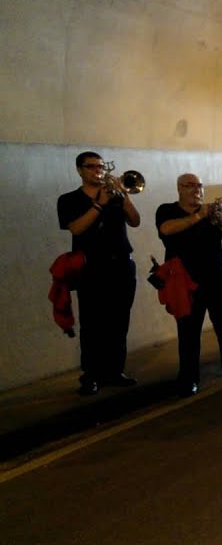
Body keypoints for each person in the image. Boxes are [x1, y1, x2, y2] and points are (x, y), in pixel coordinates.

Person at [156, 174, 222, 396]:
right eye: (190, 186)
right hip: (186, 279)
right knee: (188, 332)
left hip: (216, 276)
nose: (196, 190)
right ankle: (188, 379)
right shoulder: (167, 210)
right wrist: (198, 216)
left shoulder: (211, 214)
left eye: (199, 186)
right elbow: (166, 229)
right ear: (179, 188)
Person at [57, 152, 141, 395]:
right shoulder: (69, 199)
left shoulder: (116, 196)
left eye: (101, 167)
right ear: (79, 170)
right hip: (91, 266)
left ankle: (115, 371)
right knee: (93, 323)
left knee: (119, 320)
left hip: (121, 265)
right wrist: (99, 204)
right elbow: (76, 228)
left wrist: (122, 196)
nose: (97, 171)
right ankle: (91, 375)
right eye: (91, 167)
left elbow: (135, 221)